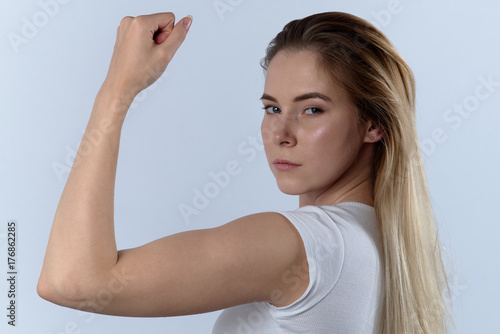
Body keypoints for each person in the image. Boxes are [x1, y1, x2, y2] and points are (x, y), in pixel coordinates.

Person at [37, 11, 450, 334]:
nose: (280, 133)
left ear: (373, 124)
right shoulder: (382, 243)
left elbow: (72, 280)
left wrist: (118, 89)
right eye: (272, 108)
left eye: (312, 109)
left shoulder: (306, 245)